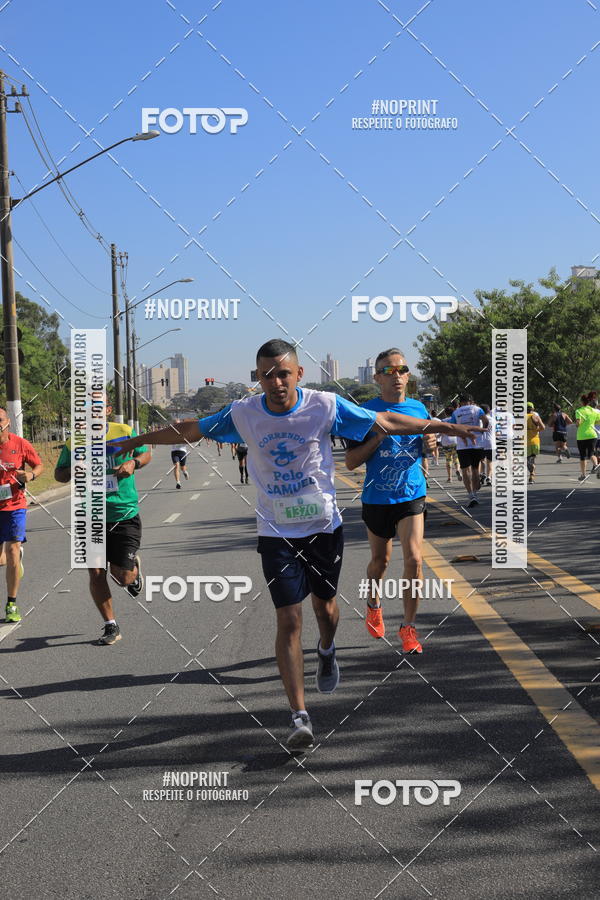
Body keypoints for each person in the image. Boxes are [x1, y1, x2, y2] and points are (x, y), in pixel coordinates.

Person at [108, 339, 481, 750]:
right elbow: (193, 429)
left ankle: (327, 648)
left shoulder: (324, 406)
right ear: (258, 377)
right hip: (276, 533)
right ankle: (299, 715)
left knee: (326, 609)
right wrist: (134, 441)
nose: (276, 382)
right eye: (267, 375)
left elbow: (385, 420)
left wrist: (446, 427)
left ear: (298, 374)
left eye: (283, 373)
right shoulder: (244, 413)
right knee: (288, 619)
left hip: (323, 528)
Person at [345, 351, 480, 652]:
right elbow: (351, 461)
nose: (396, 375)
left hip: (412, 494)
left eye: (402, 369)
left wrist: (430, 443)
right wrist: (378, 437)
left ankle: (408, 628)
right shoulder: (365, 413)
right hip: (377, 497)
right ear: (376, 377)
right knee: (380, 562)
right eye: (388, 371)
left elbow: (428, 448)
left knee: (414, 559)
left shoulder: (419, 409)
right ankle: (373, 604)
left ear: (407, 375)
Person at [54, 397, 151, 645]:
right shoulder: (74, 441)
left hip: (123, 512)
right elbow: (59, 474)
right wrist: (74, 469)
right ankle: (111, 625)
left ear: (107, 410)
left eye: (97, 408)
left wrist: (133, 462)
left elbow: (145, 453)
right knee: (96, 572)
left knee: (122, 577)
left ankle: (133, 572)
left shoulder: (124, 431)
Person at [0, 406, 43, 623]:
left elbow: (39, 466)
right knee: (2, 559)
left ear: (7, 422)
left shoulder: (20, 444)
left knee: (12, 550)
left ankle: (11, 604)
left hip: (15, 505)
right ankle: (14, 559)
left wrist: (31, 475)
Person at [449, 395, 488, 507]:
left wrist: (459, 434)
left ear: (460, 402)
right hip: (477, 443)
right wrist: (482, 431)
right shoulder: (477, 409)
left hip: (463, 445)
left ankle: (471, 495)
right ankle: (475, 493)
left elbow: (452, 427)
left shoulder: (456, 412)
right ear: (470, 401)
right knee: (475, 469)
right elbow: (485, 421)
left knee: (465, 470)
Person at [574, 392, 600, 481]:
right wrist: (590, 422)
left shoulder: (578, 411)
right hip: (593, 435)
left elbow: (578, 424)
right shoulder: (594, 411)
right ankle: (596, 465)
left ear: (582, 402)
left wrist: (579, 423)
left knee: (582, 456)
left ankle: (583, 475)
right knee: (591, 454)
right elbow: (598, 421)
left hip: (582, 436)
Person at [439, 406, 461, 483]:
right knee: (456, 458)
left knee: (448, 459)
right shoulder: (456, 420)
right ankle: (457, 469)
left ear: (445, 413)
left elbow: (440, 432)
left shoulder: (443, 421)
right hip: (455, 440)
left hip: (446, 442)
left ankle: (450, 478)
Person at [526, 401, 545, 483]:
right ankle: (532, 476)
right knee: (532, 459)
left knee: (528, 460)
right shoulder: (535, 416)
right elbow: (543, 427)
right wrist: (536, 430)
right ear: (533, 409)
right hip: (535, 441)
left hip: (525, 442)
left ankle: (532, 473)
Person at [478, 404, 495, 487]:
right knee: (490, 461)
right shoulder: (493, 420)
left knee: (481, 461)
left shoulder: (480, 420)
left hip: (481, 443)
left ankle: (482, 474)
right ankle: (489, 477)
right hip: (491, 442)